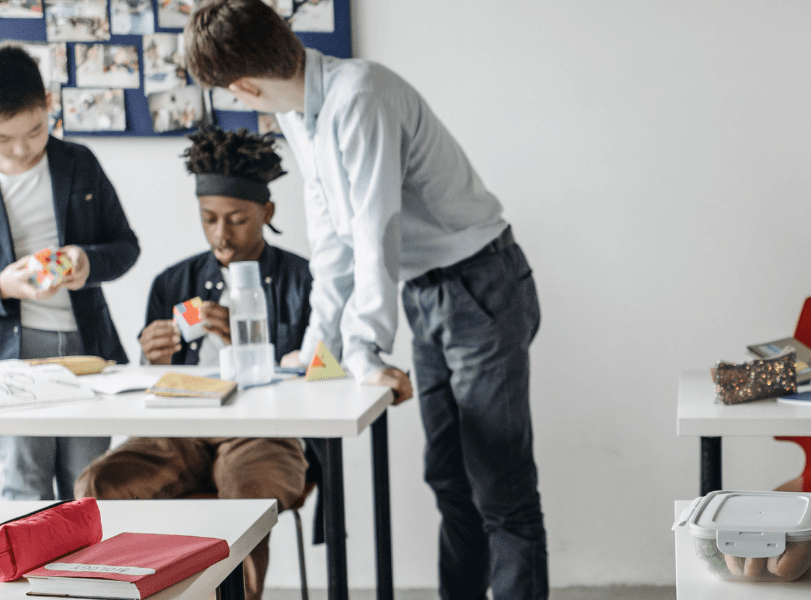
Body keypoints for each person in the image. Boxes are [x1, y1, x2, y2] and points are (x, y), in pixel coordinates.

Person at [184, 2, 547, 597]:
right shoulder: (302, 115)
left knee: (500, 490)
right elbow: (332, 241)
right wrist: (316, 347)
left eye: (237, 95)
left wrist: (365, 348)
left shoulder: (360, 95)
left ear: (245, 85)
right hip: (428, 291)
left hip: (479, 284)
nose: (245, 104)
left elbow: (376, 229)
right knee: (450, 481)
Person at [73, 126, 310, 600]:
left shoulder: (304, 279)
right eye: (208, 219)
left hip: (267, 431)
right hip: (180, 428)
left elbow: (322, 370)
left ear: (266, 212)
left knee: (244, 491)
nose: (221, 234)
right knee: (98, 481)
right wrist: (151, 355)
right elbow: (148, 386)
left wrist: (252, 341)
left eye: (237, 219)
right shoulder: (172, 281)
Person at [0, 46, 139, 501]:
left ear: (48, 103)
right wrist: (1, 285)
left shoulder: (79, 162)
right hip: (10, 357)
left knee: (90, 486)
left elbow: (126, 247)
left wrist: (86, 263)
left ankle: (87, 573)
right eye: (3, 138)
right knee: (23, 486)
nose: (23, 148)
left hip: (87, 348)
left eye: (36, 131)